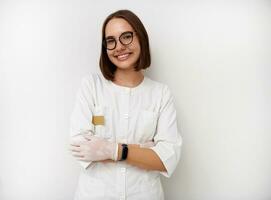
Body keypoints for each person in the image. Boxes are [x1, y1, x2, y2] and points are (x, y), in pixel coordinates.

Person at [69, 9, 182, 200]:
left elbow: (167, 159)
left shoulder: (161, 94)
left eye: (126, 37)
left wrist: (112, 149)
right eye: (111, 41)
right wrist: (142, 151)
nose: (119, 46)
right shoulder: (91, 86)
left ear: (141, 39)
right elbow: (80, 148)